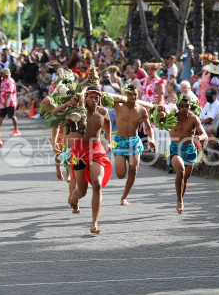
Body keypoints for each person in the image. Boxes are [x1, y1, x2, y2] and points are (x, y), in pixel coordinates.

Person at [56, 86, 113, 234]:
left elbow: (107, 122)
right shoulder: (77, 111)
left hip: (97, 150)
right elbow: (53, 113)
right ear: (85, 98)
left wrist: (109, 140)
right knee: (82, 191)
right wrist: (67, 105)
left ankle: (94, 223)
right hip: (79, 151)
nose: (94, 100)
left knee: (97, 185)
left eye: (96, 97)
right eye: (91, 97)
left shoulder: (103, 111)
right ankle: (74, 198)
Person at [158, 94, 207, 214]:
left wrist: (199, 137)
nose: (184, 108)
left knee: (185, 179)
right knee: (180, 170)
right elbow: (160, 119)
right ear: (178, 106)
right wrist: (160, 111)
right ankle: (179, 201)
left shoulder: (194, 118)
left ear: (191, 106)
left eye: (187, 106)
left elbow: (204, 134)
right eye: (182, 106)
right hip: (174, 148)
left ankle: (181, 198)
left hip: (189, 149)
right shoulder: (171, 116)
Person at [112, 84, 155, 206]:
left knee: (133, 170)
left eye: (135, 94)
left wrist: (152, 139)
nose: (133, 96)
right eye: (130, 94)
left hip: (134, 141)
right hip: (120, 141)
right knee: (120, 175)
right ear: (126, 95)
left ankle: (124, 197)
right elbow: (102, 99)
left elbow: (149, 128)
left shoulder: (141, 110)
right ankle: (124, 160)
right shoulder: (118, 105)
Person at [0, 68, 20, 136]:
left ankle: (16, 130)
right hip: (3, 101)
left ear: (4, 74)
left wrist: (6, 100)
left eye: (1, 73)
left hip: (9, 101)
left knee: (12, 116)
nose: (0, 74)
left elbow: (10, 91)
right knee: (1, 116)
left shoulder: (10, 80)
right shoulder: (4, 80)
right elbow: (4, 90)